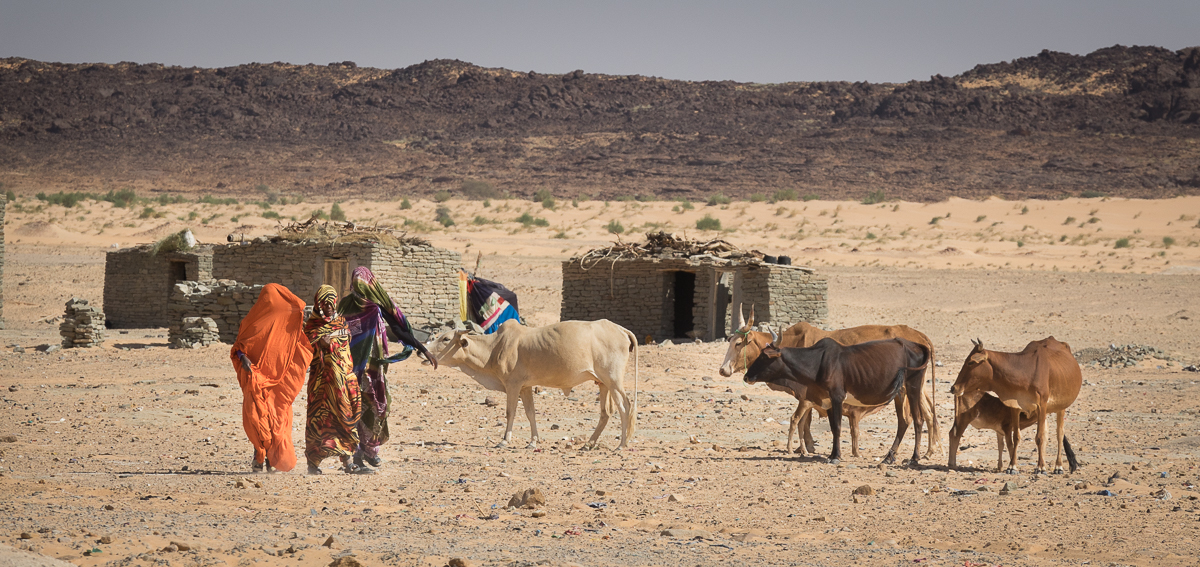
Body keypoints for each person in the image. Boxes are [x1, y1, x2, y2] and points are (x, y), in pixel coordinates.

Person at [338, 267, 438, 468]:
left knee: (379, 406)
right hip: (349, 368)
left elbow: (399, 329)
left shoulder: (376, 307)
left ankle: (369, 449)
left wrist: (423, 349)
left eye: (362, 284)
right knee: (352, 408)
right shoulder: (345, 305)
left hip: (373, 370)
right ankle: (355, 454)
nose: (359, 288)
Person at [230, 283, 313, 473]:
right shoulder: (253, 321)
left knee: (272, 418)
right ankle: (260, 456)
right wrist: (243, 358)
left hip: (278, 383)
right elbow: (240, 346)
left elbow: (299, 347)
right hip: (257, 378)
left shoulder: (289, 321)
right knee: (258, 418)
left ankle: (271, 459)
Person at [303, 285, 373, 474]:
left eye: (331, 304)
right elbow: (304, 349)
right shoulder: (312, 327)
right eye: (324, 304)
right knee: (319, 422)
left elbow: (348, 346)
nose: (329, 308)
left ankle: (348, 463)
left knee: (344, 418)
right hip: (321, 386)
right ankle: (313, 464)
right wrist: (318, 342)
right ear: (318, 305)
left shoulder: (341, 322)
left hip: (343, 381)